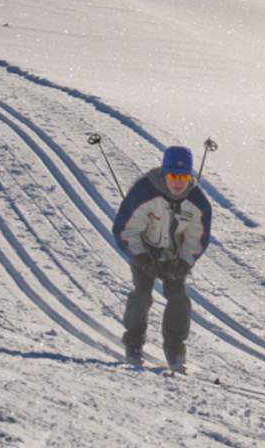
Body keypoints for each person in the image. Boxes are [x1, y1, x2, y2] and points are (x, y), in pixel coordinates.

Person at [110, 145, 213, 372]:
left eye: (183, 176)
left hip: (174, 255)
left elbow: (197, 237)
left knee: (178, 298)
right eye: (173, 176)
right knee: (142, 294)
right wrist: (141, 259)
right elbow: (125, 230)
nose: (178, 182)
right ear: (165, 174)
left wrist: (184, 262)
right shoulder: (144, 193)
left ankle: (175, 350)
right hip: (145, 250)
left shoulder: (198, 203)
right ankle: (134, 345)